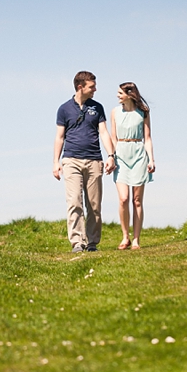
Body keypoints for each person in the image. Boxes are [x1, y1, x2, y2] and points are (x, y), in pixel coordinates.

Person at [53, 71, 116, 253]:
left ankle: (92, 243)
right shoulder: (64, 109)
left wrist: (110, 155)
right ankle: (77, 242)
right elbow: (59, 137)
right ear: (81, 87)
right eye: (92, 86)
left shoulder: (97, 107)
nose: (95, 89)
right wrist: (55, 162)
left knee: (94, 205)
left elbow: (104, 132)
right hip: (71, 159)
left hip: (94, 160)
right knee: (74, 202)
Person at [111, 82, 155, 250]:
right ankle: (125, 236)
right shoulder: (115, 112)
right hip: (121, 154)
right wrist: (111, 157)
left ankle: (136, 239)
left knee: (137, 200)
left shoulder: (143, 112)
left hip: (138, 153)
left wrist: (151, 159)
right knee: (123, 198)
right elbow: (113, 137)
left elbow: (148, 138)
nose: (117, 95)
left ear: (130, 94)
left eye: (120, 92)